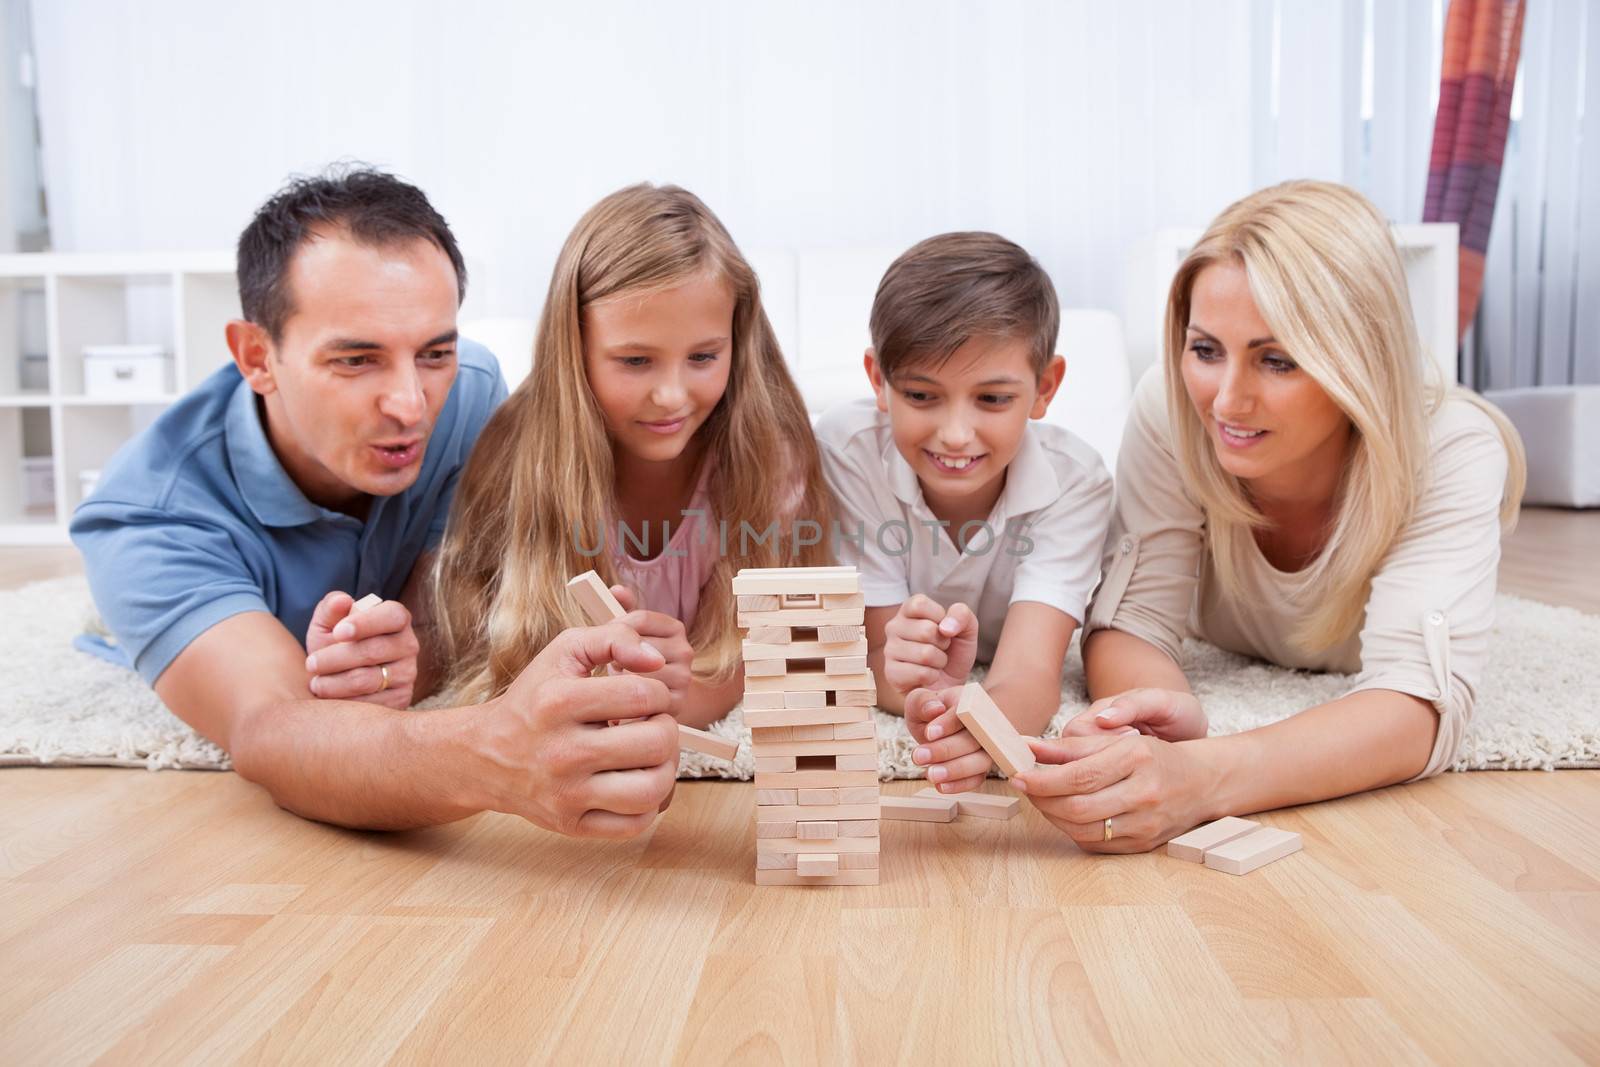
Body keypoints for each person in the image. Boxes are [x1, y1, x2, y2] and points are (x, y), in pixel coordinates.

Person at [72, 167, 687, 836]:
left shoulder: (470, 390)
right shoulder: (148, 514)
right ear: (256, 356)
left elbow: (450, 616)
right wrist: (500, 752)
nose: (410, 404)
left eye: (433, 351)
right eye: (356, 359)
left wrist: (411, 664)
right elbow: (272, 729)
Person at [1009, 180, 1526, 852]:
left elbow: (1419, 707)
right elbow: (1133, 621)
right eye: (1205, 349)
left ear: (1358, 360)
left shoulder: (1451, 445)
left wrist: (1203, 777)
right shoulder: (1172, 407)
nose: (1225, 400)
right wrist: (1156, 715)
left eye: (1276, 360)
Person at [432, 183, 834, 725]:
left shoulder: (765, 457)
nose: (671, 395)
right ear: (573, 349)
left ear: (736, 341)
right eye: (636, 361)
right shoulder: (518, 450)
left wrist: (668, 697)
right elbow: (489, 654)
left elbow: (746, 666)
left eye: (702, 356)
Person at [815, 232, 1113, 794]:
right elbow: (880, 660)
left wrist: (980, 730)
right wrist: (911, 682)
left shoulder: (1076, 482)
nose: (955, 435)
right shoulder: (849, 449)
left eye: (993, 399)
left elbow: (1030, 672)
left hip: (1004, 657)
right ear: (879, 381)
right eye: (922, 396)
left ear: (1044, 387)